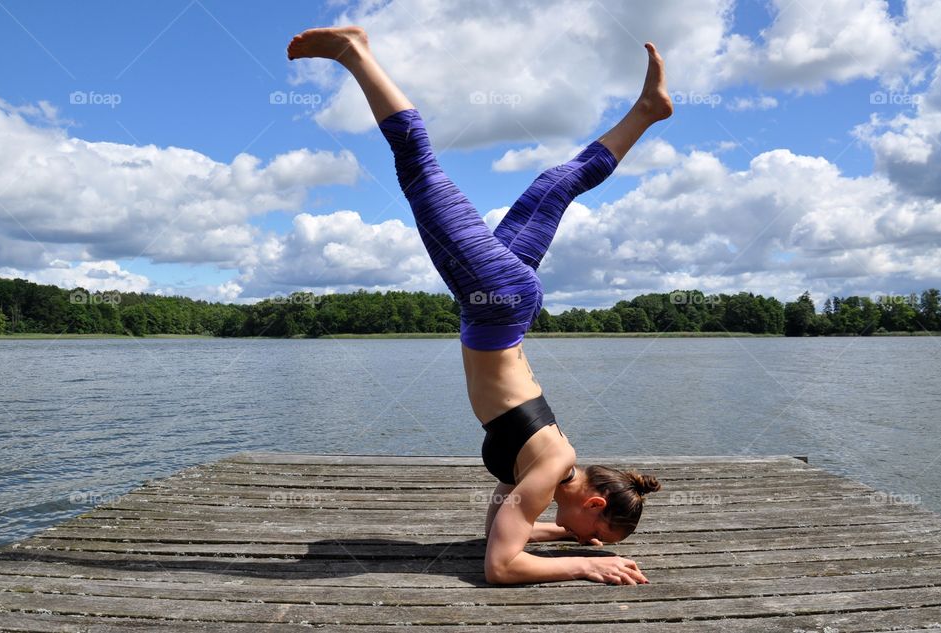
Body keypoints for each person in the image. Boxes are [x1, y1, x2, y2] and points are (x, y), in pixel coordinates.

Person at [287, 25, 672, 586]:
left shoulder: (551, 468)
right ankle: (355, 52)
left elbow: (501, 535)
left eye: (591, 544)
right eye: (592, 533)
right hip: (496, 303)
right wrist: (586, 564)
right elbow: (500, 567)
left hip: (504, 305)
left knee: (553, 187)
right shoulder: (546, 470)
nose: (581, 540)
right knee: (418, 166)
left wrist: (562, 540)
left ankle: (647, 110)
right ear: (592, 504)